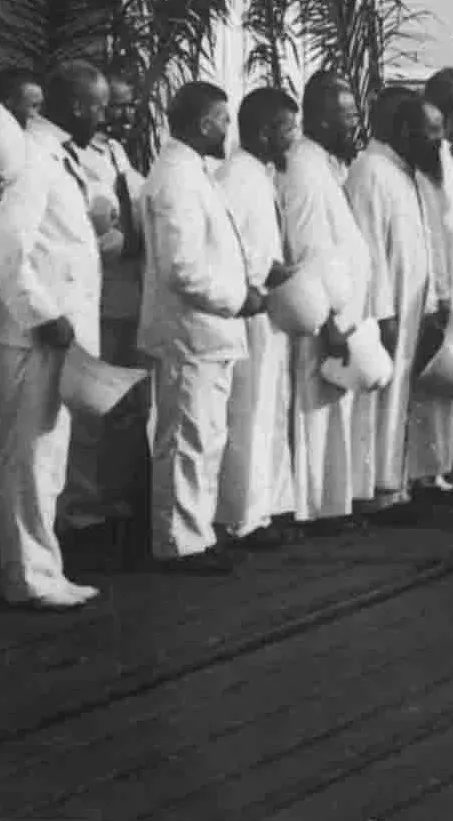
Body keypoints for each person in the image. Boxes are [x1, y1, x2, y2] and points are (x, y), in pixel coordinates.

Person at [0, 62, 107, 608]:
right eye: (98, 106)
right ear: (76, 106)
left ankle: (42, 567)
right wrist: (41, 312)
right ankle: (30, 574)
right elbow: (9, 241)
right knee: (31, 455)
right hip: (35, 332)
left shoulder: (58, 155)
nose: (104, 116)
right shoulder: (31, 156)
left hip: (57, 331)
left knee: (48, 456)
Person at [138, 82, 254, 576]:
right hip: (192, 330)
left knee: (204, 435)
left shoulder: (192, 173)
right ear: (204, 123)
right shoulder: (176, 179)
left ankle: (195, 531)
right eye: (223, 120)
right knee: (187, 437)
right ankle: (178, 539)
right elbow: (181, 267)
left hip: (208, 332)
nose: (228, 130)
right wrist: (237, 298)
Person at [345, 87, 448, 516]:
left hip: (411, 306)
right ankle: (375, 487)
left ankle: (394, 479)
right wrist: (383, 313)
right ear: (405, 132)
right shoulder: (370, 170)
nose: (439, 143)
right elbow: (369, 249)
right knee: (379, 400)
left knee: (403, 398)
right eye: (431, 133)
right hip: (386, 310)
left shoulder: (405, 171)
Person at [282, 71, 372, 536]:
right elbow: (306, 246)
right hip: (320, 313)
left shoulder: (328, 163)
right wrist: (330, 319)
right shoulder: (303, 166)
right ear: (318, 119)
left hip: (341, 309)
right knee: (313, 411)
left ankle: (330, 505)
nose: (355, 124)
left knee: (332, 409)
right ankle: (310, 507)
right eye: (347, 115)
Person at [58, 71, 147, 535]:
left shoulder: (117, 153)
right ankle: (78, 503)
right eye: (116, 105)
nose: (125, 113)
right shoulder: (71, 156)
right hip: (98, 293)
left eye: (131, 106)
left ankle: (112, 494)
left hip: (130, 291)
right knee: (90, 402)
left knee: (123, 406)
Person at [216, 88, 301, 549]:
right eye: (289, 128)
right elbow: (231, 244)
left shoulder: (258, 174)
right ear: (267, 131)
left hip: (270, 308)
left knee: (268, 407)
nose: (294, 137)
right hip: (248, 308)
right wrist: (271, 271)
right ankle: (241, 516)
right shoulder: (236, 177)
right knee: (248, 414)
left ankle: (264, 507)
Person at [404, 69, 453, 499]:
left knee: (451, 375)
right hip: (436, 283)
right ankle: (425, 473)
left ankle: (440, 467)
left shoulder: (448, 157)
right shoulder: (424, 165)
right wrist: (442, 290)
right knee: (432, 378)